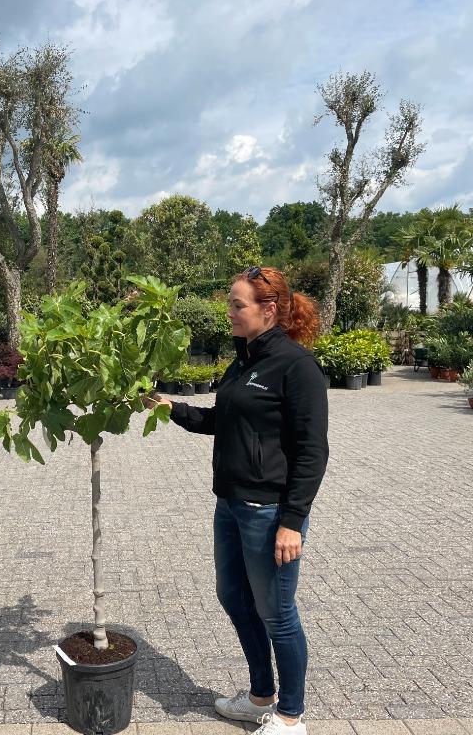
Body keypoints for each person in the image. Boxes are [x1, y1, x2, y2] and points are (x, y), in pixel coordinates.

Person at [146, 266, 328, 735]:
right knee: (233, 597)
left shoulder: (296, 367)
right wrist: (174, 409)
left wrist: (292, 520)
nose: (228, 311)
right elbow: (224, 421)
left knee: (278, 612)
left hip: (268, 513)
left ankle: (290, 716)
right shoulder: (242, 361)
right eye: (229, 302)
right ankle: (260, 696)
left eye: (236, 304)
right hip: (229, 504)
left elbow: (312, 451)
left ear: (268, 310)